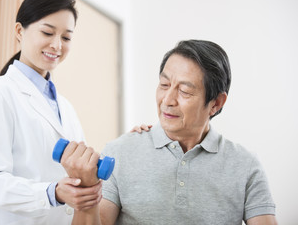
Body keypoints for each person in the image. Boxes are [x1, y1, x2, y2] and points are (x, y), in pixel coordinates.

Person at [0, 0, 150, 225]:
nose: (56, 45)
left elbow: (78, 163)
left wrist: (128, 143)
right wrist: (52, 193)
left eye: (66, 37)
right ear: (19, 31)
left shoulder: (64, 106)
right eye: (47, 32)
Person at [59, 40, 277, 225]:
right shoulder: (120, 152)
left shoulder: (245, 165)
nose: (167, 100)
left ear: (216, 103)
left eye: (184, 91)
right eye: (164, 84)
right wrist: (86, 192)